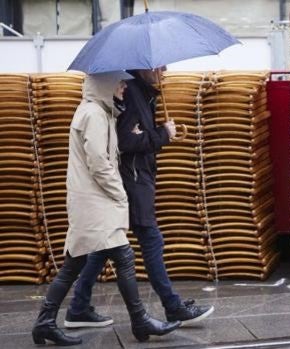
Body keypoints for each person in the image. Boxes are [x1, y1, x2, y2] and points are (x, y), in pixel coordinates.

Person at [32, 72, 180, 346]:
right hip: (95, 201)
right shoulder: (95, 116)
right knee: (123, 258)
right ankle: (140, 321)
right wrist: (120, 193)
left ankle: (45, 322)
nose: (125, 86)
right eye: (120, 82)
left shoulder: (100, 112)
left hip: (92, 201)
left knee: (75, 264)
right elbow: (99, 163)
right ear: (104, 85)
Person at [64, 67, 213, 330]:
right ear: (143, 67)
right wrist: (162, 135)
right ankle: (172, 306)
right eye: (160, 65)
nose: (164, 70)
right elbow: (123, 142)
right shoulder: (130, 94)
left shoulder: (143, 94)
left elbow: (133, 136)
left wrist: (156, 132)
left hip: (136, 180)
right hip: (131, 183)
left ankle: (78, 308)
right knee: (151, 240)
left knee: (101, 249)